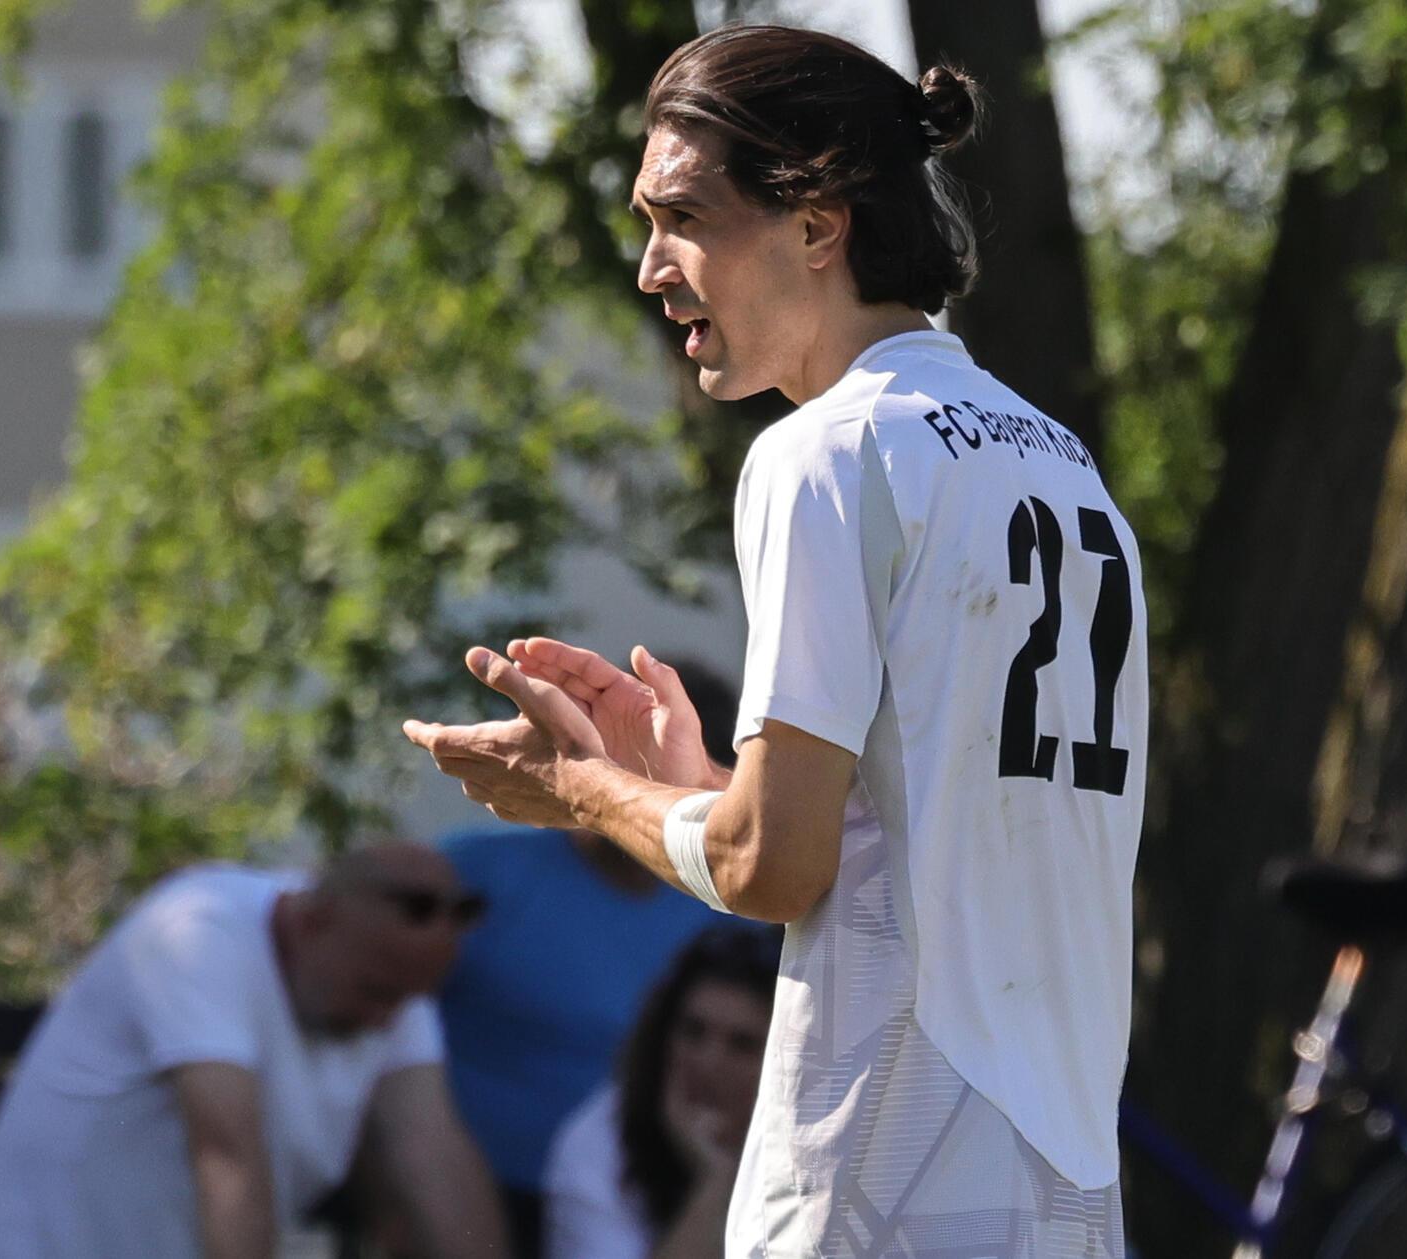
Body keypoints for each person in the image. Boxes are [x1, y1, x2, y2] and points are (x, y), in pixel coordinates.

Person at [405, 23, 1146, 1258]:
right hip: (1059, 1189)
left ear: (816, 221)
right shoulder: (1066, 469)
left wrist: (581, 788)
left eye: (682, 216)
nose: (650, 268)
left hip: (877, 1183)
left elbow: (770, 869)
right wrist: (678, 787)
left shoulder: (822, 454)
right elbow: (896, 848)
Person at [0, 844, 508, 1259]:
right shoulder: (198, 932)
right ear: (311, 920)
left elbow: (434, 1154)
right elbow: (227, 1158)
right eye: (375, 994)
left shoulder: (391, 980)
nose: (387, 1021)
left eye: (407, 1001)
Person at [435, 662, 739, 1256]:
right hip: (483, 1210)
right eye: (612, 754)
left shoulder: (737, 901)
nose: (627, 783)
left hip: (657, 1196)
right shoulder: (473, 874)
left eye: (653, 761)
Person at [541, 925, 778, 1259]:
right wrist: (716, 1180)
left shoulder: (816, 1144)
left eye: (742, 1045)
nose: (709, 1063)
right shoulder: (600, 1141)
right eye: (693, 1032)